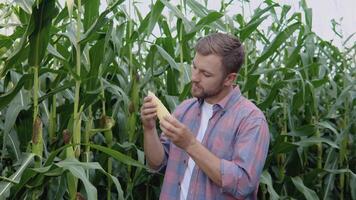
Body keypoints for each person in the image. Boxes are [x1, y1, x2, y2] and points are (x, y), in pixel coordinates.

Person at [140, 33, 270, 200]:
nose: (194, 77)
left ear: (229, 79)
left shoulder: (251, 120)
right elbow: (157, 163)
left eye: (206, 74)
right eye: (194, 67)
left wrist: (190, 144)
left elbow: (243, 183)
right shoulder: (184, 110)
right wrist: (149, 128)